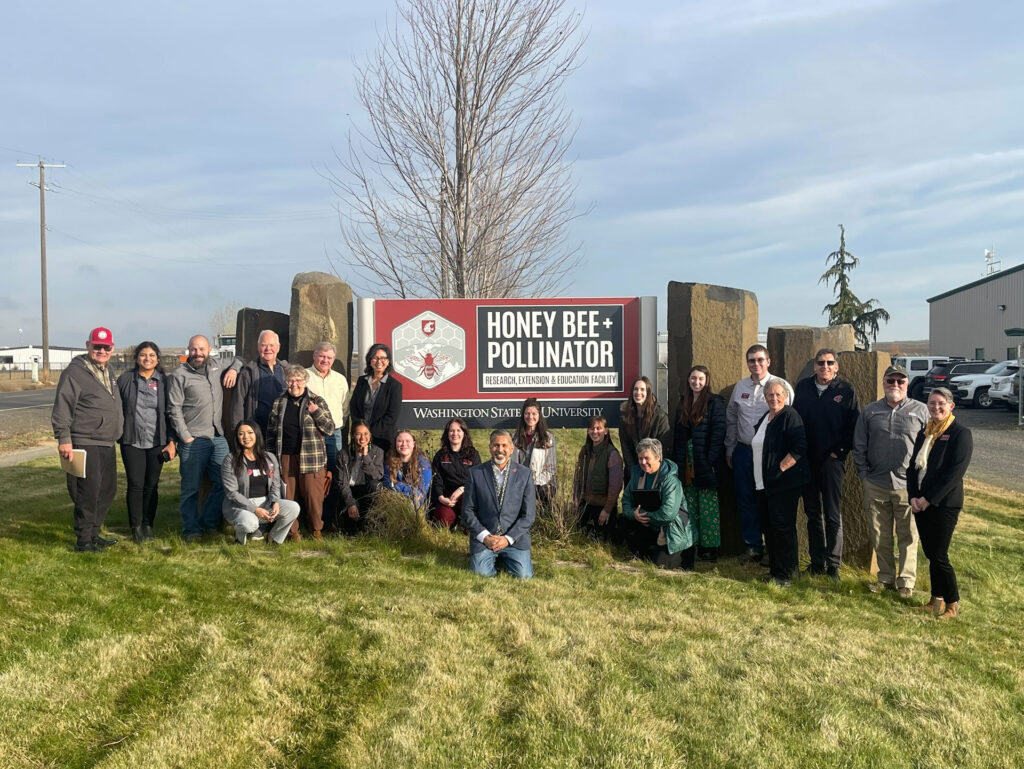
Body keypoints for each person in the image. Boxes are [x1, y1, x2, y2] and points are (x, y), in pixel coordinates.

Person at [853, 364, 929, 598]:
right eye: (890, 381)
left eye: (900, 381)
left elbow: (930, 447)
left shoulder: (921, 411)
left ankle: (906, 581)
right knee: (880, 535)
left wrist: (922, 483)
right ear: (884, 383)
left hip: (908, 486)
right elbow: (859, 445)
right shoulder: (870, 411)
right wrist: (864, 475)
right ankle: (885, 577)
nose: (895, 385)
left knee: (908, 535)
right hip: (876, 483)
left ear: (907, 384)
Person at [51, 327, 125, 552]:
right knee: (87, 492)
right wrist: (64, 438)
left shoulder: (107, 370)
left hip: (106, 441)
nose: (101, 350)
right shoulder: (75, 373)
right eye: (97, 346)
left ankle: (93, 532)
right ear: (88, 346)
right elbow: (62, 408)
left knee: (107, 490)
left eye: (106, 347)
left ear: (112, 349)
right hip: (85, 440)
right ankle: (83, 540)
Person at [793, 348, 859, 580]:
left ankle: (833, 564)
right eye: (821, 363)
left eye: (830, 363)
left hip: (832, 461)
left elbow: (854, 426)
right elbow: (796, 421)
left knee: (832, 513)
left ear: (837, 366)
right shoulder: (803, 388)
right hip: (807, 460)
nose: (825, 367)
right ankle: (816, 561)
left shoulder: (846, 390)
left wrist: (838, 453)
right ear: (814, 366)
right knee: (812, 513)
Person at [725, 345, 794, 565]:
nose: (756, 364)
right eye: (751, 360)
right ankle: (753, 546)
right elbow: (732, 418)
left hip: (771, 455)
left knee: (770, 501)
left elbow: (789, 419)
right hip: (744, 451)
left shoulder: (781, 386)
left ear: (769, 361)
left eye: (760, 360)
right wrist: (730, 447)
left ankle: (773, 549)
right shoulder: (740, 386)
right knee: (746, 499)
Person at [907, 388, 973, 619]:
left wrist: (929, 499)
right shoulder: (925, 434)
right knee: (930, 553)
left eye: (941, 403)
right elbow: (913, 468)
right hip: (921, 503)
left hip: (944, 504)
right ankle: (935, 600)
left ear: (951, 406)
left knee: (940, 555)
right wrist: (913, 497)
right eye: (932, 403)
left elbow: (954, 474)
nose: (936, 408)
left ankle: (952, 604)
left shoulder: (960, 434)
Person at [167, 334, 236, 542]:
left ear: (209, 349)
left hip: (218, 437)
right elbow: (174, 408)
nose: (198, 353)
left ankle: (207, 522)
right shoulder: (180, 375)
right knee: (190, 488)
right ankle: (191, 530)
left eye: (202, 349)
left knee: (226, 482)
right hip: (193, 439)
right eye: (194, 349)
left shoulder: (217, 365)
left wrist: (233, 369)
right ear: (189, 350)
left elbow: (238, 359)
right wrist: (185, 437)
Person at [116, 341, 177, 543]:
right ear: (137, 358)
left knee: (151, 485)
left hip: (157, 441)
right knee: (135, 484)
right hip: (131, 440)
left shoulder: (165, 382)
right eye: (143, 355)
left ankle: (147, 524)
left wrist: (171, 441)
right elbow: (116, 409)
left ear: (158, 359)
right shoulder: (125, 380)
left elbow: (171, 413)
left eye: (151, 355)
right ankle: (135, 527)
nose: (147, 358)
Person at [752, 379, 810, 587]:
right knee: (769, 527)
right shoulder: (764, 418)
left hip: (783, 484)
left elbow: (799, 448)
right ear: (765, 397)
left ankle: (788, 574)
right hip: (762, 485)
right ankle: (776, 571)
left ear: (785, 397)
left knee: (783, 528)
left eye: (778, 395)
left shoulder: (790, 416)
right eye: (770, 395)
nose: (774, 398)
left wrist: (780, 469)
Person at [266, 365, 335, 540]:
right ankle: (293, 532)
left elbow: (329, 429)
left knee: (313, 495)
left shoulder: (316, 401)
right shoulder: (279, 402)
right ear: (285, 381)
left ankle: (316, 529)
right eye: (290, 380)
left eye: (298, 380)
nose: (294, 384)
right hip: (286, 457)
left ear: (305, 382)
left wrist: (316, 412)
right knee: (289, 496)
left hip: (311, 458)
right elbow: (271, 433)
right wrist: (270, 458)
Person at [461, 429, 536, 579]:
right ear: (490, 447)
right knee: (480, 574)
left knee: (524, 576)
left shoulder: (524, 474)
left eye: (504, 445)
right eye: (496, 445)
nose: (500, 450)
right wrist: (485, 537)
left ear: (511, 449)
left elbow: (528, 516)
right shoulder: (476, 473)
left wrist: (507, 539)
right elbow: (467, 511)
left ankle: (505, 556)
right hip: (485, 538)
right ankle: (492, 558)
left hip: (514, 539)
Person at [673, 365, 726, 562]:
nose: (696, 382)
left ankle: (709, 549)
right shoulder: (683, 403)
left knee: (708, 507)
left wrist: (711, 460)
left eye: (700, 379)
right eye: (693, 378)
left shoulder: (714, 403)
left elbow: (719, 433)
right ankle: (692, 544)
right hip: (686, 461)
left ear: (706, 381)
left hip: (705, 462)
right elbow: (679, 436)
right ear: (688, 380)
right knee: (690, 504)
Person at [621, 437, 697, 569]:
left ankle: (686, 555)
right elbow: (626, 500)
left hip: (672, 531)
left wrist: (645, 516)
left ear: (658, 457)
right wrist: (634, 515)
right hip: (650, 524)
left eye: (647, 458)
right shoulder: (636, 474)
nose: (643, 462)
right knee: (623, 521)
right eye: (640, 458)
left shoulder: (671, 481)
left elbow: (668, 515)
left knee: (658, 565)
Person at [221, 420, 300, 545]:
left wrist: (275, 502)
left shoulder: (269, 457)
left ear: (257, 434)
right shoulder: (230, 460)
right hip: (240, 506)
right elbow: (231, 493)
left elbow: (275, 485)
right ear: (237, 437)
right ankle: (239, 539)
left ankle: (274, 538)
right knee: (249, 523)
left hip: (266, 503)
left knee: (293, 508)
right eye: (241, 434)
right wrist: (255, 509)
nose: (246, 437)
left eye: (250, 432)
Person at [572, 415, 623, 541]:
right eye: (591, 428)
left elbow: (615, 487)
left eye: (598, 428)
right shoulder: (584, 451)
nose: (595, 432)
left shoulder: (612, 454)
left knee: (601, 542)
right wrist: (575, 500)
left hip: (603, 507)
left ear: (606, 431)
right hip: (585, 505)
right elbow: (577, 478)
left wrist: (607, 510)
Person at [232, 330, 290, 438]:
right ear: (258, 347)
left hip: (281, 433)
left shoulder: (286, 370)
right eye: (264, 345)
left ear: (278, 347)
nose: (268, 349)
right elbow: (238, 404)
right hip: (257, 433)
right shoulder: (248, 372)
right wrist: (238, 432)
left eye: (272, 345)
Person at [350, 343, 403, 454]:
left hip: (383, 440)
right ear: (370, 361)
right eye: (375, 358)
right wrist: (360, 431)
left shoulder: (394, 386)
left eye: (383, 358)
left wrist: (369, 433)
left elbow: (391, 416)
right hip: (361, 439)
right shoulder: (361, 381)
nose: (379, 361)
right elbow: (354, 406)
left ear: (388, 361)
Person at [430, 417, 481, 528]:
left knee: (471, 520)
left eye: (458, 430)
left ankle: (466, 521)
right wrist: (441, 498)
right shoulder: (440, 455)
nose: (455, 434)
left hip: (467, 493)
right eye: (452, 431)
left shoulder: (473, 454)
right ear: (447, 434)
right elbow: (436, 480)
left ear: (464, 433)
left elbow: (477, 479)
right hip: (447, 496)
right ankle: (454, 522)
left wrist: (462, 489)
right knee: (442, 519)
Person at [336, 420, 385, 534]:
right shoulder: (343, 454)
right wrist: (351, 503)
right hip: (350, 491)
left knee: (374, 485)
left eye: (366, 434)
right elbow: (342, 483)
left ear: (370, 435)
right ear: (353, 435)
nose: (363, 437)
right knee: (350, 531)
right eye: (358, 434)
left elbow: (377, 475)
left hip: (367, 492)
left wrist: (366, 456)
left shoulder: (378, 452)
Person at [618, 376, 671, 473]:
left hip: (655, 471)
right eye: (635, 389)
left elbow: (664, 448)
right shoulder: (625, 418)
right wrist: (634, 471)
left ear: (648, 393)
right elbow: (626, 448)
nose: (638, 392)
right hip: (633, 472)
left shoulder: (660, 417)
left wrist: (652, 469)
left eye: (642, 389)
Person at [512, 398, 558, 510]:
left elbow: (551, 469)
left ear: (539, 415)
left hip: (541, 483)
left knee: (543, 493)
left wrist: (532, 483)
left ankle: (546, 518)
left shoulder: (548, 438)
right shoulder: (514, 437)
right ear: (523, 415)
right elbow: (512, 465)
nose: (530, 417)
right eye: (527, 413)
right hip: (519, 481)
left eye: (534, 413)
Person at [383, 430, 432, 509]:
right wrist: (410, 490)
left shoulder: (424, 464)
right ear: (395, 443)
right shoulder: (389, 463)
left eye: (408, 441)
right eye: (400, 441)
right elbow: (389, 486)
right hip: (394, 503)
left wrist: (408, 501)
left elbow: (421, 494)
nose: (404, 444)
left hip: (416, 506)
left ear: (414, 444)